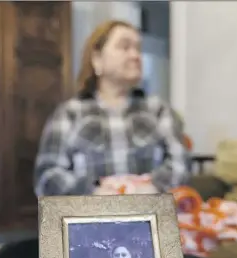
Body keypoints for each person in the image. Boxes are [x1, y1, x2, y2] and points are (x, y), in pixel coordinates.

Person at [33, 20, 191, 197]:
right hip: (89, 220)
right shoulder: (68, 114)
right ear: (97, 59)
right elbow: (46, 177)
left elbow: (181, 165)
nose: (135, 55)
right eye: (124, 47)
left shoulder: (159, 110)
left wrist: (151, 188)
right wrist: (94, 192)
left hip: (152, 219)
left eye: (138, 48)